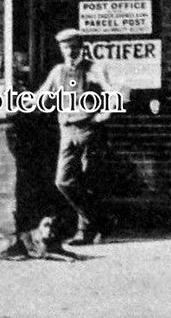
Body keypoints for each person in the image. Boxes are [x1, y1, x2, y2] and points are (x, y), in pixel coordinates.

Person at [36, 28, 114, 245]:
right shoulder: (58, 71)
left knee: (90, 180)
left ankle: (84, 231)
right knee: (63, 181)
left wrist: (102, 116)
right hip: (67, 130)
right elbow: (42, 96)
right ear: (61, 49)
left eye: (73, 46)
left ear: (81, 47)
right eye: (65, 47)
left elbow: (113, 94)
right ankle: (98, 222)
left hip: (90, 131)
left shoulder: (94, 69)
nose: (70, 51)